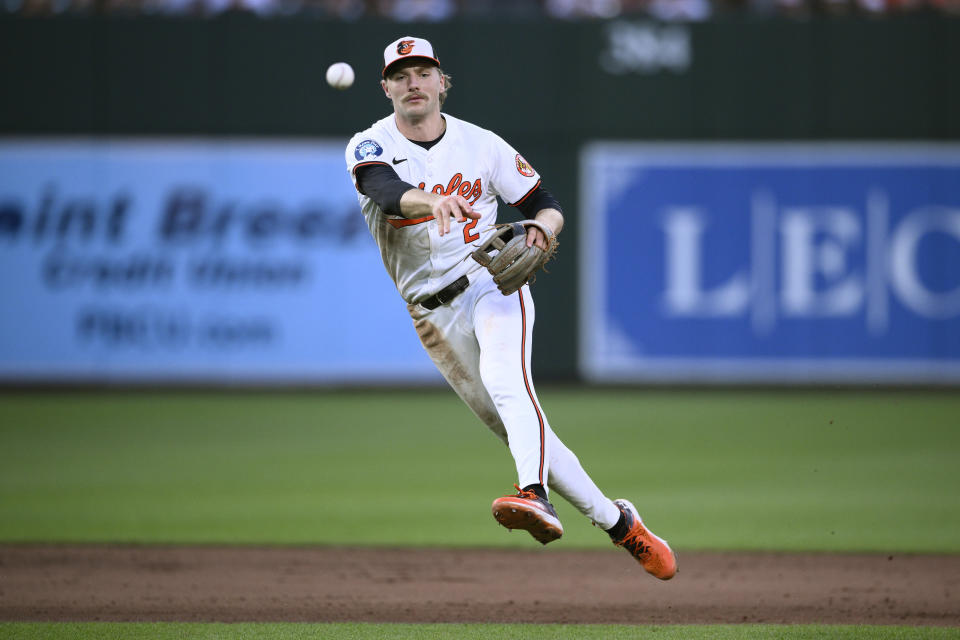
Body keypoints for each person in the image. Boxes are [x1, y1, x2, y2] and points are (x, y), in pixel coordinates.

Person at [344, 36, 677, 580]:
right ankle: (623, 526)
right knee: (520, 427)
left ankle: (534, 494)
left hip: (489, 280)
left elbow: (545, 203)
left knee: (508, 381)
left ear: (442, 83)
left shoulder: (484, 146)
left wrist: (544, 230)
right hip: (431, 314)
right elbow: (383, 191)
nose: (413, 83)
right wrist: (432, 200)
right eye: (400, 75)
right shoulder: (369, 144)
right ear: (386, 88)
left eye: (423, 72)